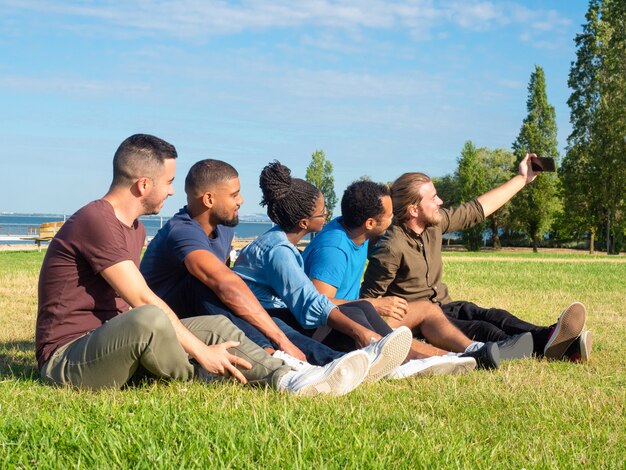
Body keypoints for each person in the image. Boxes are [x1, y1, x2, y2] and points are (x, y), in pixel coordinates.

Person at [35, 134, 369, 396]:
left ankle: (292, 378)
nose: (171, 192)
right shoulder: (96, 220)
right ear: (143, 185)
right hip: (69, 357)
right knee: (149, 316)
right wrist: (200, 352)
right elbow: (140, 299)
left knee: (215, 326)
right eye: (168, 182)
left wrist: (200, 340)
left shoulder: (134, 229)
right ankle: (202, 369)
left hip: (116, 337)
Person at [233, 161, 481, 379]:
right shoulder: (282, 251)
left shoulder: (286, 242)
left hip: (286, 316)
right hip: (272, 324)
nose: (329, 214)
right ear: (304, 223)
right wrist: (362, 328)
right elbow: (311, 304)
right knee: (359, 311)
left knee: (364, 308)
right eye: (323, 212)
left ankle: (428, 356)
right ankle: (410, 359)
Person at [361, 154, 591, 362]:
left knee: (495, 316)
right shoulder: (392, 245)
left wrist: (522, 178)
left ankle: (554, 337)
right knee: (484, 329)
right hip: (427, 322)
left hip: (446, 306)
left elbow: (476, 210)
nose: (440, 201)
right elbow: (369, 300)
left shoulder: (433, 225)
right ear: (413, 210)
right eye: (433, 198)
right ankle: (559, 348)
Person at [141, 159, 357, 368]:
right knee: (206, 284)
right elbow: (223, 283)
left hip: (205, 317)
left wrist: (276, 331)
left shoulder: (224, 228)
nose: (241, 200)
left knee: (266, 317)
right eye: (234, 195)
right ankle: (273, 356)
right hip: (170, 326)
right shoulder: (182, 232)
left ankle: (336, 361)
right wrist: (280, 340)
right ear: (209, 199)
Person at [302, 179, 514, 372]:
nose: (395, 219)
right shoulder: (334, 251)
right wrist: (375, 304)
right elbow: (319, 304)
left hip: (356, 311)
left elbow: (471, 211)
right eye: (389, 216)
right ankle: (456, 359)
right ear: (370, 223)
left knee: (425, 309)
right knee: (392, 336)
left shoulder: (356, 230)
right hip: (334, 327)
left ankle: (474, 347)